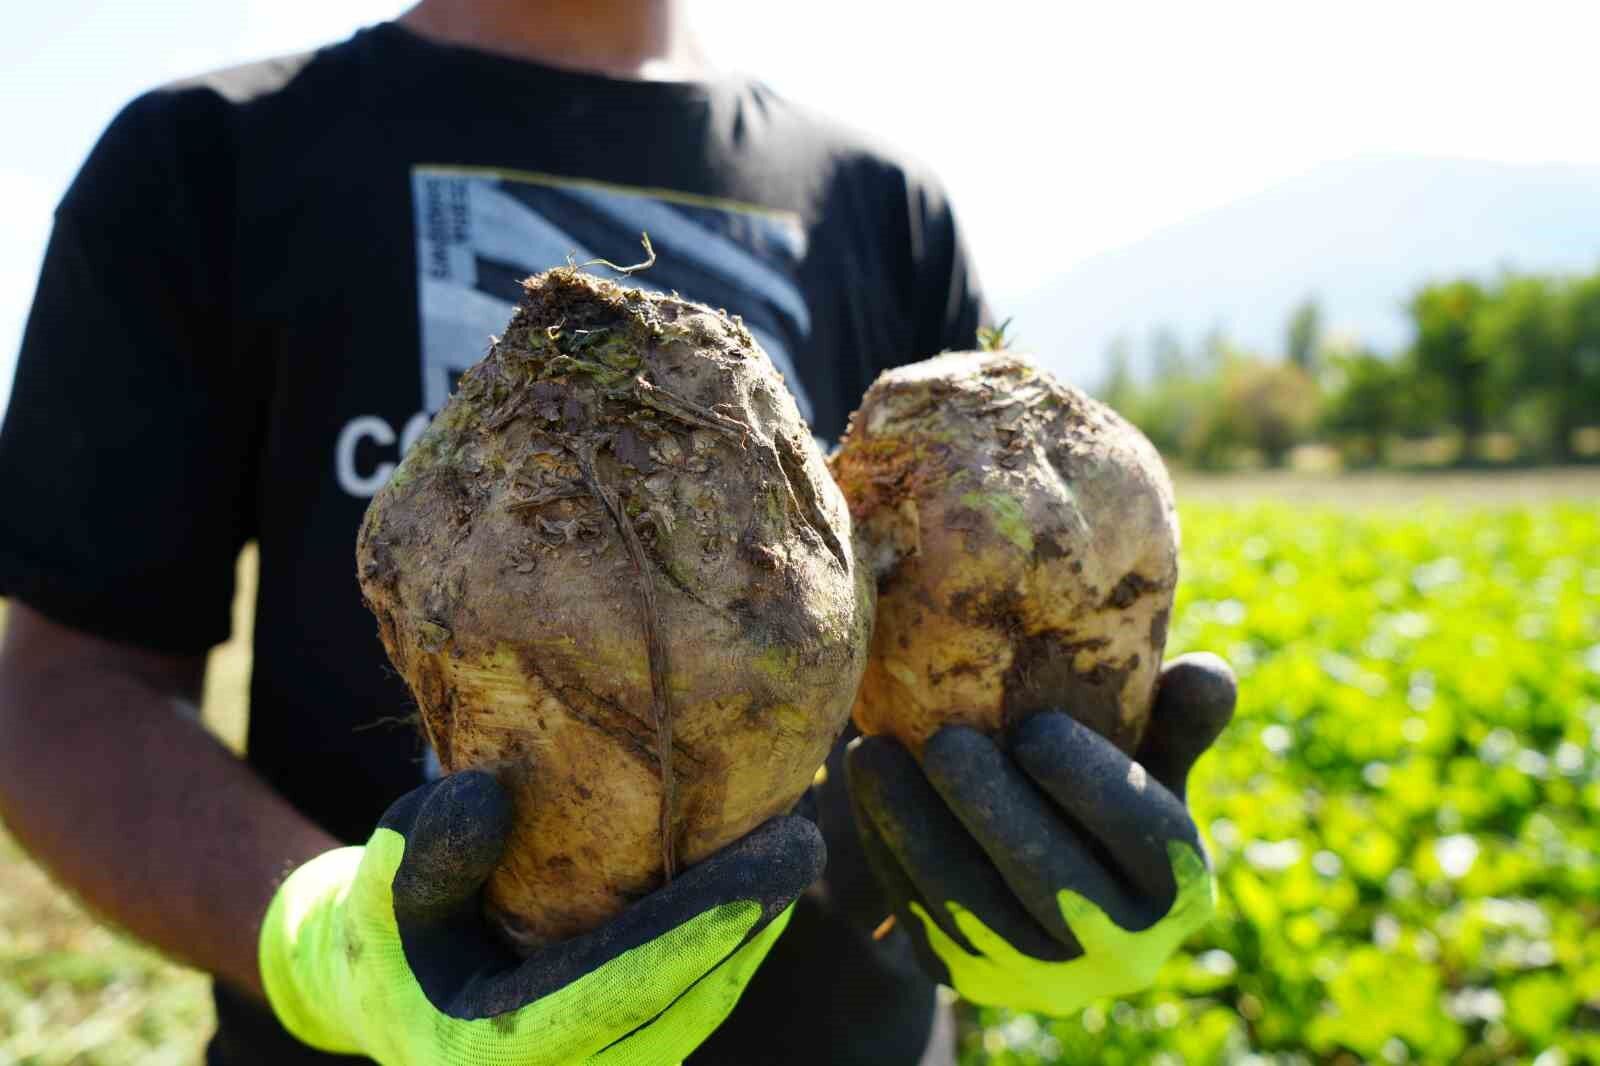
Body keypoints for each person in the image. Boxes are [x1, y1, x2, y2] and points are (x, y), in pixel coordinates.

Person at [0, 1, 1235, 1063]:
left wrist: (1035, 867)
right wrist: (318, 940)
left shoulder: (879, 200)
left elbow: (971, 625)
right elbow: (64, 684)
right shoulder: (208, 159)